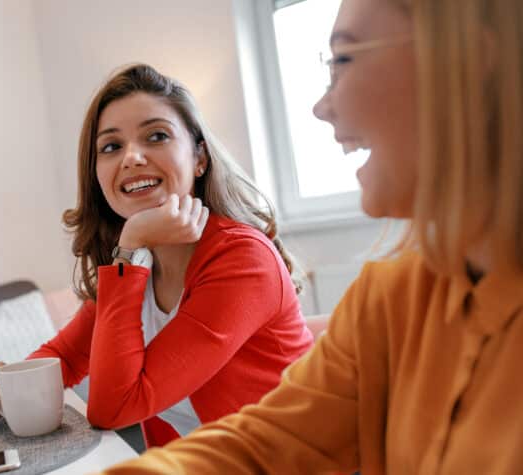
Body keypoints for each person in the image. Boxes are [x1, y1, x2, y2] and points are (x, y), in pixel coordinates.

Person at [94, 0, 523, 472]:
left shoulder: (238, 254)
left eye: (344, 59)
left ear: (466, 67)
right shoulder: (389, 301)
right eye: (111, 146)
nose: (321, 107)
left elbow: (119, 403)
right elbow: (268, 440)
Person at [0, 64, 313, 447]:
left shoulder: (242, 259)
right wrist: (1, 384)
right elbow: (64, 357)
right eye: (111, 146)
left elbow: (113, 408)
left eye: (156, 136)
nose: (131, 157)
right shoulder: (136, 264)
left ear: (200, 157)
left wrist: (130, 246)